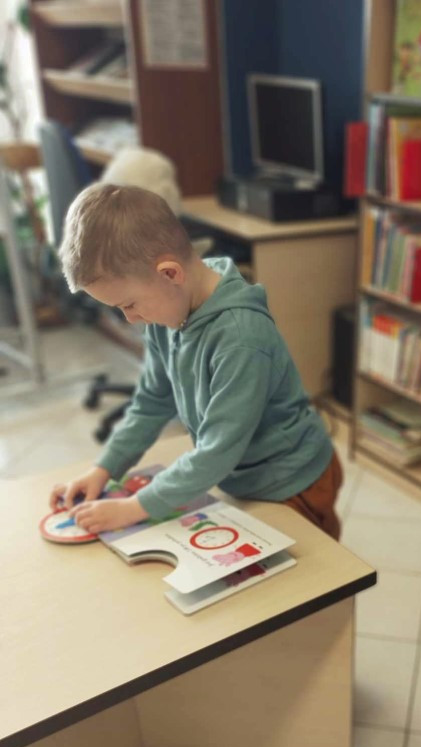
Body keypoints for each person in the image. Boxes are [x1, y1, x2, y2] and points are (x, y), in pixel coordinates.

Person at [49, 183, 343, 540]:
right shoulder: (167, 311)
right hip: (240, 476)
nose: (131, 319)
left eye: (129, 304)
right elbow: (151, 402)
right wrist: (104, 468)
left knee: (314, 570)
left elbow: (217, 451)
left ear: (170, 273)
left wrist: (134, 507)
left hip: (293, 481)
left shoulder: (241, 338)